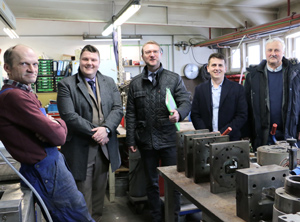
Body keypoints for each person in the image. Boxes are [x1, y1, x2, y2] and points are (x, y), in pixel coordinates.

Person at [0, 45, 93, 222]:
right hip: (45, 170)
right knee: (76, 217)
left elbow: (54, 131)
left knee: (76, 213)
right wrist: (58, 125)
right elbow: (59, 137)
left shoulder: (25, 91)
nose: (32, 69)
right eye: (24, 64)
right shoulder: (14, 96)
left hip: (50, 166)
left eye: (35, 64)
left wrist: (55, 124)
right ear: (7, 68)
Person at [126, 40, 191, 222]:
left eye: (155, 51)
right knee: (152, 183)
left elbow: (185, 101)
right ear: (143, 56)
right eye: (148, 52)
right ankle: (156, 217)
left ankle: (173, 217)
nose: (152, 55)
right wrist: (131, 140)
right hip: (146, 141)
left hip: (169, 139)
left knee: (173, 182)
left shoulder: (173, 78)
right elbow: (131, 113)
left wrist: (179, 113)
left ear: (160, 54)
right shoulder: (135, 83)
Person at [57, 45, 123, 221]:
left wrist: (107, 128)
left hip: (104, 148)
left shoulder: (109, 82)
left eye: (93, 60)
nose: (89, 63)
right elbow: (69, 116)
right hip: (81, 148)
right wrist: (97, 132)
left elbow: (118, 108)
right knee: (82, 196)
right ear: (80, 60)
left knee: (99, 193)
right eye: (86, 59)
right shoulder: (66, 84)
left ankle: (97, 219)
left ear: (99, 62)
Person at [244, 37, 300, 151]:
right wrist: (246, 132)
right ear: (265, 52)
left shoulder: (295, 74)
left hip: (290, 132)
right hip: (263, 134)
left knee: (290, 166)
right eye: (269, 50)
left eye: (276, 50)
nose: (273, 53)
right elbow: (246, 105)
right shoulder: (253, 75)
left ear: (283, 52)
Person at [191, 52, 248, 141]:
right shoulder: (200, 89)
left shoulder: (238, 89)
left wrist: (223, 133)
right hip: (205, 138)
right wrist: (205, 133)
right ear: (208, 68)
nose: (217, 68)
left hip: (230, 138)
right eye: (214, 65)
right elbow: (195, 114)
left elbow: (242, 115)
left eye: (220, 65)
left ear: (225, 69)